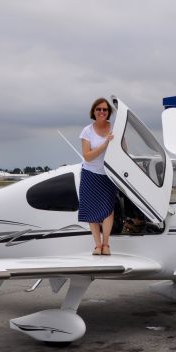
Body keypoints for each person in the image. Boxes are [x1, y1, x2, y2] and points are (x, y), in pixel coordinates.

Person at [78, 97, 118, 255]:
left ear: (109, 113)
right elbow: (87, 156)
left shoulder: (114, 129)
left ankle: (106, 244)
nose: (102, 112)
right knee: (91, 209)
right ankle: (97, 245)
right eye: (98, 109)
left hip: (108, 174)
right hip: (90, 173)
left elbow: (123, 148)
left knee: (108, 209)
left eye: (105, 110)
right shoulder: (87, 131)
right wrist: (105, 144)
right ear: (93, 112)